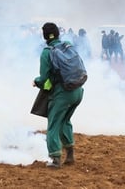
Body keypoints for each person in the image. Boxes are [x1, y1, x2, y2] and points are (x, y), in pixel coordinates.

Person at [33, 22, 84, 168]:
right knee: (64, 121)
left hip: (63, 93)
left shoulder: (47, 52)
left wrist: (36, 82)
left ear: (45, 36)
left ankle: (55, 159)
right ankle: (70, 155)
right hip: (78, 90)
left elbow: (43, 79)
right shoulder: (67, 45)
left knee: (54, 124)